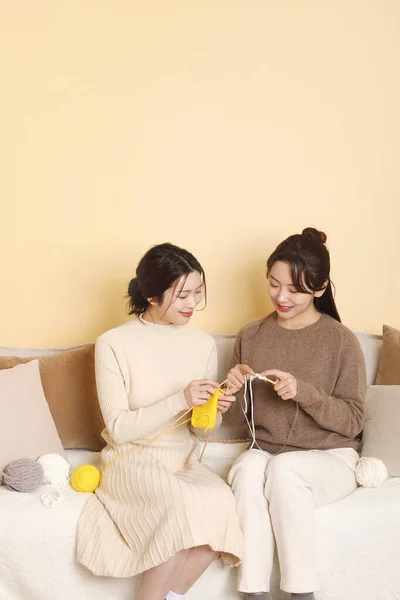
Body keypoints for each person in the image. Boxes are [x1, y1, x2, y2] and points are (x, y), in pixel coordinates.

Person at [77, 242, 243, 600]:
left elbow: (200, 431)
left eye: (198, 292)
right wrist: (180, 398)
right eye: (182, 295)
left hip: (181, 460)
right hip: (131, 460)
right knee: (180, 505)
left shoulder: (202, 344)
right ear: (152, 296)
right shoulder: (113, 343)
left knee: (222, 503)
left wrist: (213, 410)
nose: (193, 303)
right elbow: (119, 429)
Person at [224, 227, 366, 600]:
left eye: (295, 290)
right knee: (247, 469)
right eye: (274, 284)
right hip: (266, 452)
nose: (281, 297)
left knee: (284, 470)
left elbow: (353, 420)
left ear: (320, 289)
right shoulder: (251, 335)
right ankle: (253, 592)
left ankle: (301, 594)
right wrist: (231, 389)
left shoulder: (341, 341)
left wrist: (304, 393)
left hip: (330, 458)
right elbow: (239, 421)